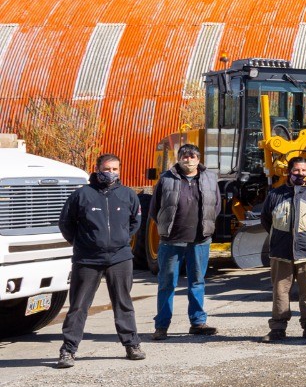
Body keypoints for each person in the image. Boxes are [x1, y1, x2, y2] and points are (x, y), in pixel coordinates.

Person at [54, 153, 144, 368]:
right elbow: (66, 224)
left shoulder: (128, 195)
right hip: (87, 259)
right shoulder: (82, 195)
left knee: (123, 303)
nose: (110, 173)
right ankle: (68, 350)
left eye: (115, 169)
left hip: (120, 258)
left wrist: (120, 240)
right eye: (107, 168)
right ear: (97, 168)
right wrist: (84, 242)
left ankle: (132, 344)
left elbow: (135, 222)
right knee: (78, 306)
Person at [150, 143, 219, 340]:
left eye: (192, 156)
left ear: (198, 159)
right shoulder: (166, 179)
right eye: (184, 156)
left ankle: (198, 322)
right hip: (172, 240)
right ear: (179, 158)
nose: (188, 159)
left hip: (200, 240)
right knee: (166, 283)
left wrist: (206, 228)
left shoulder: (210, 178)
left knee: (197, 282)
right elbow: (155, 209)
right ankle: (161, 326)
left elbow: (216, 207)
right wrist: (167, 228)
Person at [259, 157, 306, 343]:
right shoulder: (275, 195)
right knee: (280, 291)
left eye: (303, 171)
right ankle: (278, 328)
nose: (300, 174)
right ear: (289, 172)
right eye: (296, 170)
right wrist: (281, 237)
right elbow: (266, 220)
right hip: (281, 253)